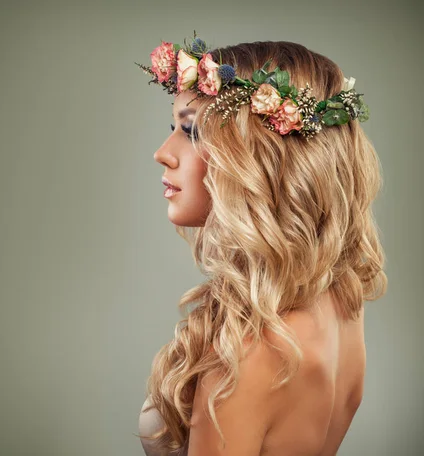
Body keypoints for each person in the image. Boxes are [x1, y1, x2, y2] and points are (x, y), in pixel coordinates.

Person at [134, 34, 387, 456]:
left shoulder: (250, 352)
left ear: (260, 156)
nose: (164, 153)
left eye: (192, 131)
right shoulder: (343, 304)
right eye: (172, 129)